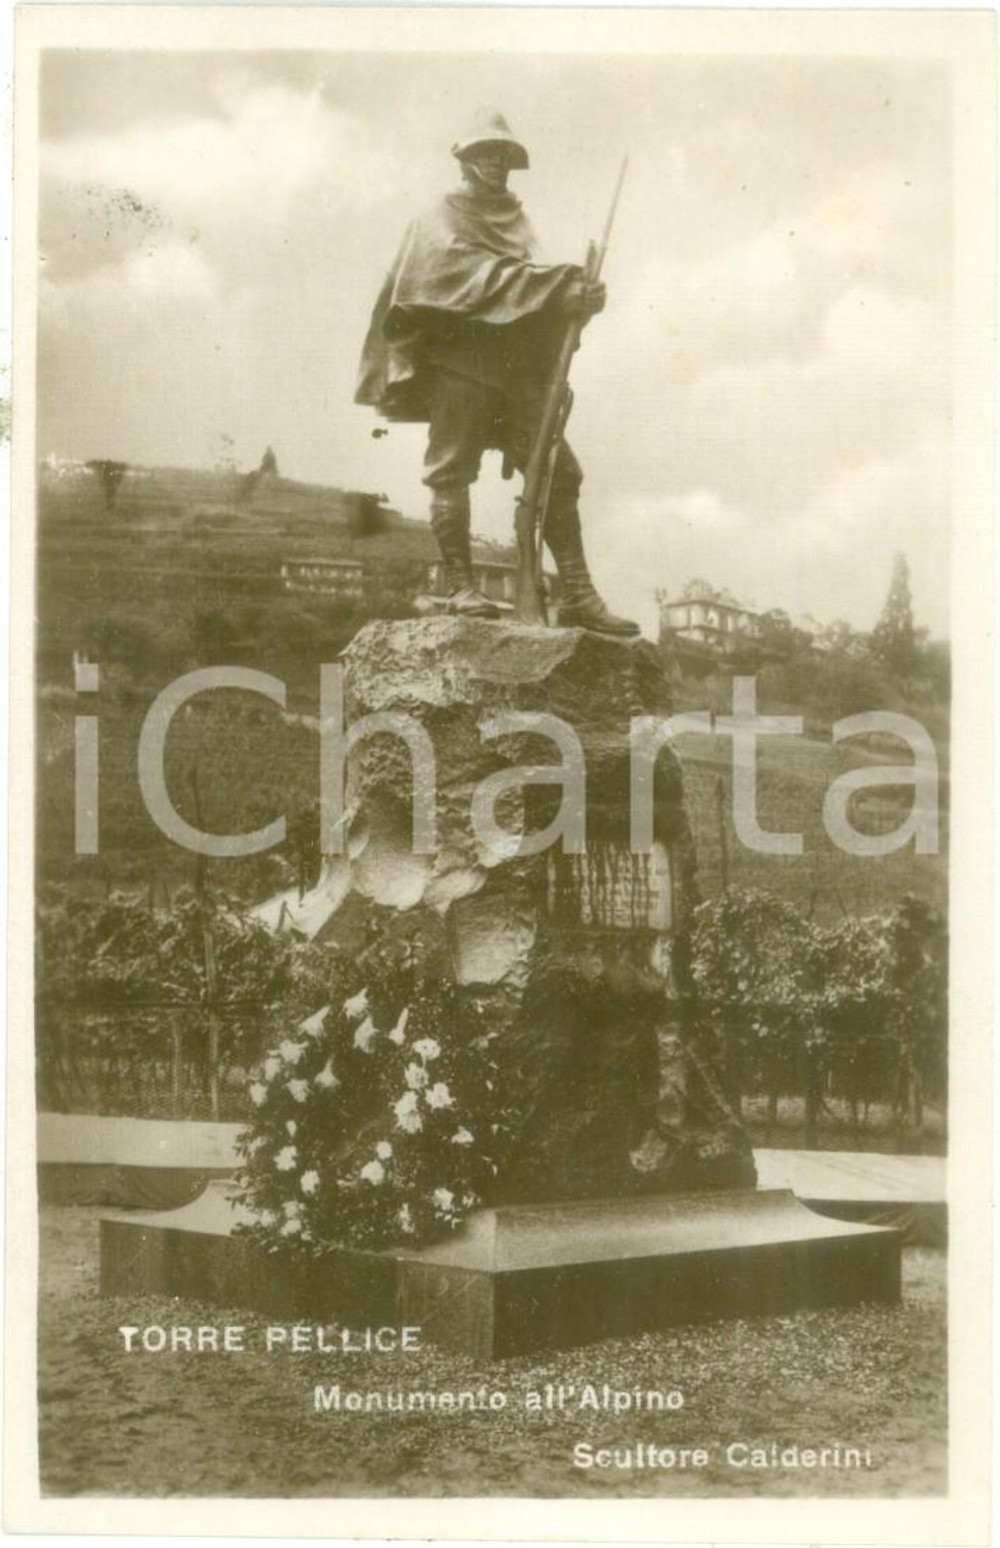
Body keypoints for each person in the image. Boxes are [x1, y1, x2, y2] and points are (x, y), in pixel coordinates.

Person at [355, 108, 639, 637]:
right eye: (487, 155)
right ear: (465, 160)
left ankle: (576, 592)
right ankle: (461, 586)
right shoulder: (436, 217)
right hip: (460, 363)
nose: (498, 165)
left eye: (506, 157)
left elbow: (528, 288)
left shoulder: (516, 220)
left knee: (560, 472)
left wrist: (578, 299)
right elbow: (468, 278)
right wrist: (556, 286)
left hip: (515, 371)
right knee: (451, 471)